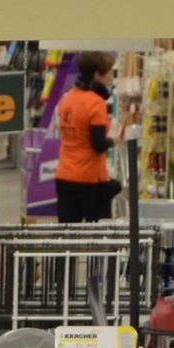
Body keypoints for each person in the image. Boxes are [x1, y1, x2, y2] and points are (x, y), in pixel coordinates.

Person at [54, 50, 122, 224]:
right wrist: (115, 140)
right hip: (90, 179)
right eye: (109, 73)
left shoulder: (67, 99)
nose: (111, 77)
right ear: (97, 75)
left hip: (65, 175)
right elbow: (98, 144)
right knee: (99, 238)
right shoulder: (95, 103)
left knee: (67, 234)